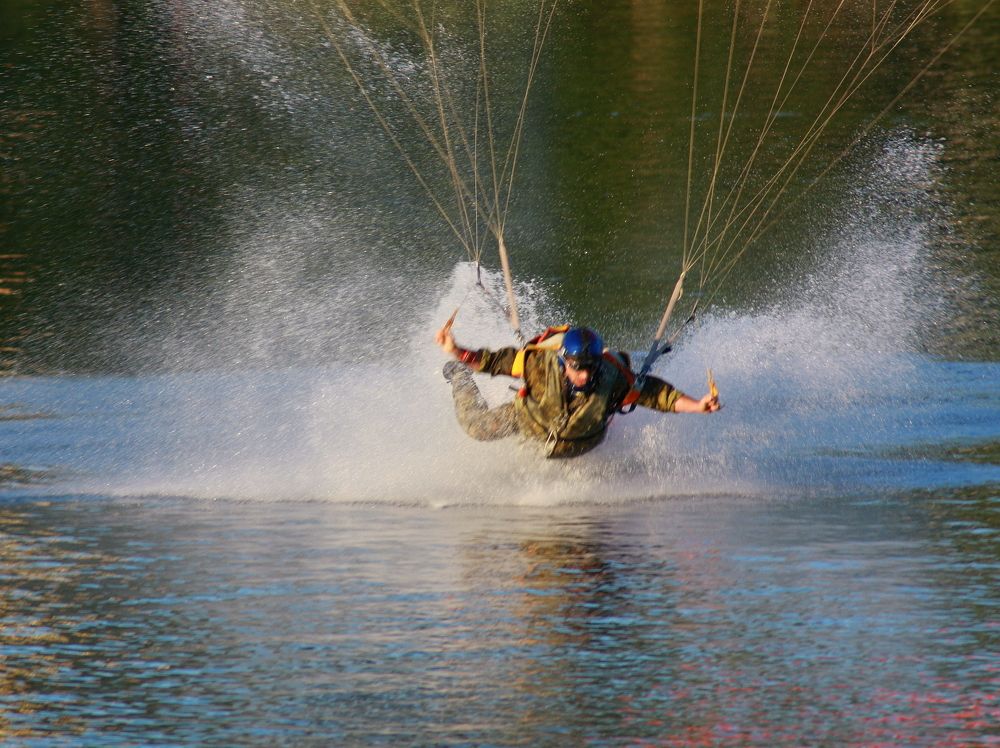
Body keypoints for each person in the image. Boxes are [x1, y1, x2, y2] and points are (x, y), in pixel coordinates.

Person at [435, 324, 720, 458]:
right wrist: (457, 351)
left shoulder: (612, 377)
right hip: (531, 420)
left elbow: (658, 395)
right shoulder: (538, 363)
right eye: (577, 368)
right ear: (564, 361)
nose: (584, 375)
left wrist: (698, 405)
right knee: (476, 428)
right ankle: (459, 377)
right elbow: (493, 362)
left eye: (590, 368)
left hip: (581, 442)